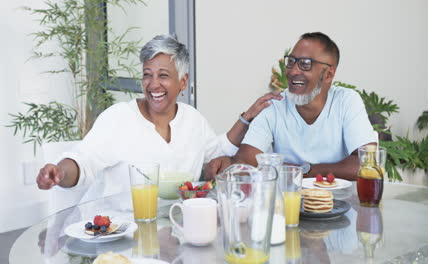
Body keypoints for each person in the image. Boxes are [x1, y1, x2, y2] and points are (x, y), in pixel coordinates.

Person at [36, 34, 282, 190]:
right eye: (147, 75)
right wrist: (59, 172)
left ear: (182, 82)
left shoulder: (192, 119)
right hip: (117, 232)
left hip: (174, 231)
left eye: (163, 76)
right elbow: (83, 159)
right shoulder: (118, 117)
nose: (153, 85)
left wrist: (246, 117)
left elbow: (217, 154)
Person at [206, 32, 376, 180]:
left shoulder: (346, 101)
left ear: (328, 74)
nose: (293, 71)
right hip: (289, 204)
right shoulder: (274, 105)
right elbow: (246, 161)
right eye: (291, 61)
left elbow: (367, 163)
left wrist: (303, 170)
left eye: (305, 64)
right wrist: (228, 163)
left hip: (341, 204)